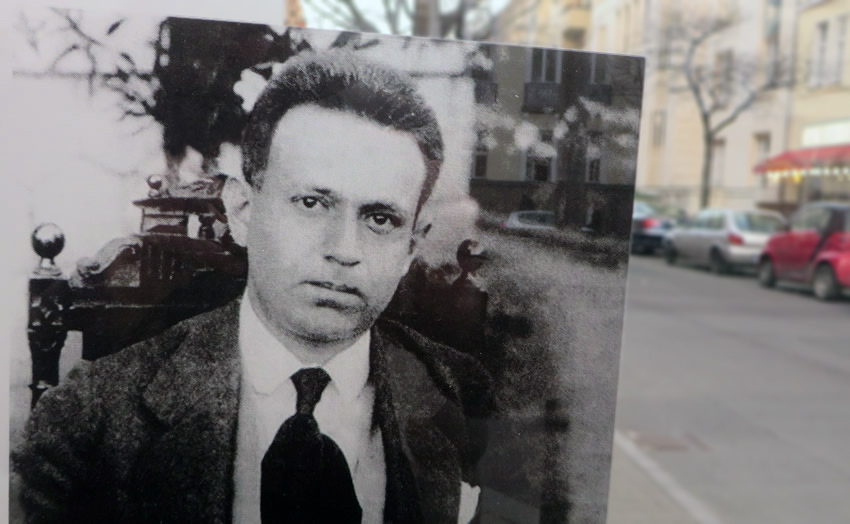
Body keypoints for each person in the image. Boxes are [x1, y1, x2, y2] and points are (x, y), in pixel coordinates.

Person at [14, 51, 492, 524]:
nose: (344, 249)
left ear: (413, 243)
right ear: (242, 211)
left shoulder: (465, 400)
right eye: (311, 203)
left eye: (381, 218)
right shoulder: (90, 421)